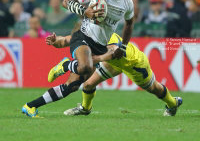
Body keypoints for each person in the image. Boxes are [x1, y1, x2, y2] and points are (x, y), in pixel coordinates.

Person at [22, 0, 134, 117]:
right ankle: (65, 65)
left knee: (72, 86)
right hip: (83, 36)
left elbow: (129, 23)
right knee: (84, 67)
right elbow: (65, 1)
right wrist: (84, 11)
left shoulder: (127, 2)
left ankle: (30, 106)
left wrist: (125, 45)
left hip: (100, 45)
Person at [22, 24, 182, 118]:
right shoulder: (89, 35)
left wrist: (73, 65)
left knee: (154, 88)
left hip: (133, 63)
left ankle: (172, 103)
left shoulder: (105, 42)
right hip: (112, 62)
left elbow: (110, 53)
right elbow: (65, 41)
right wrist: (54, 41)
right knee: (88, 85)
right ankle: (85, 109)